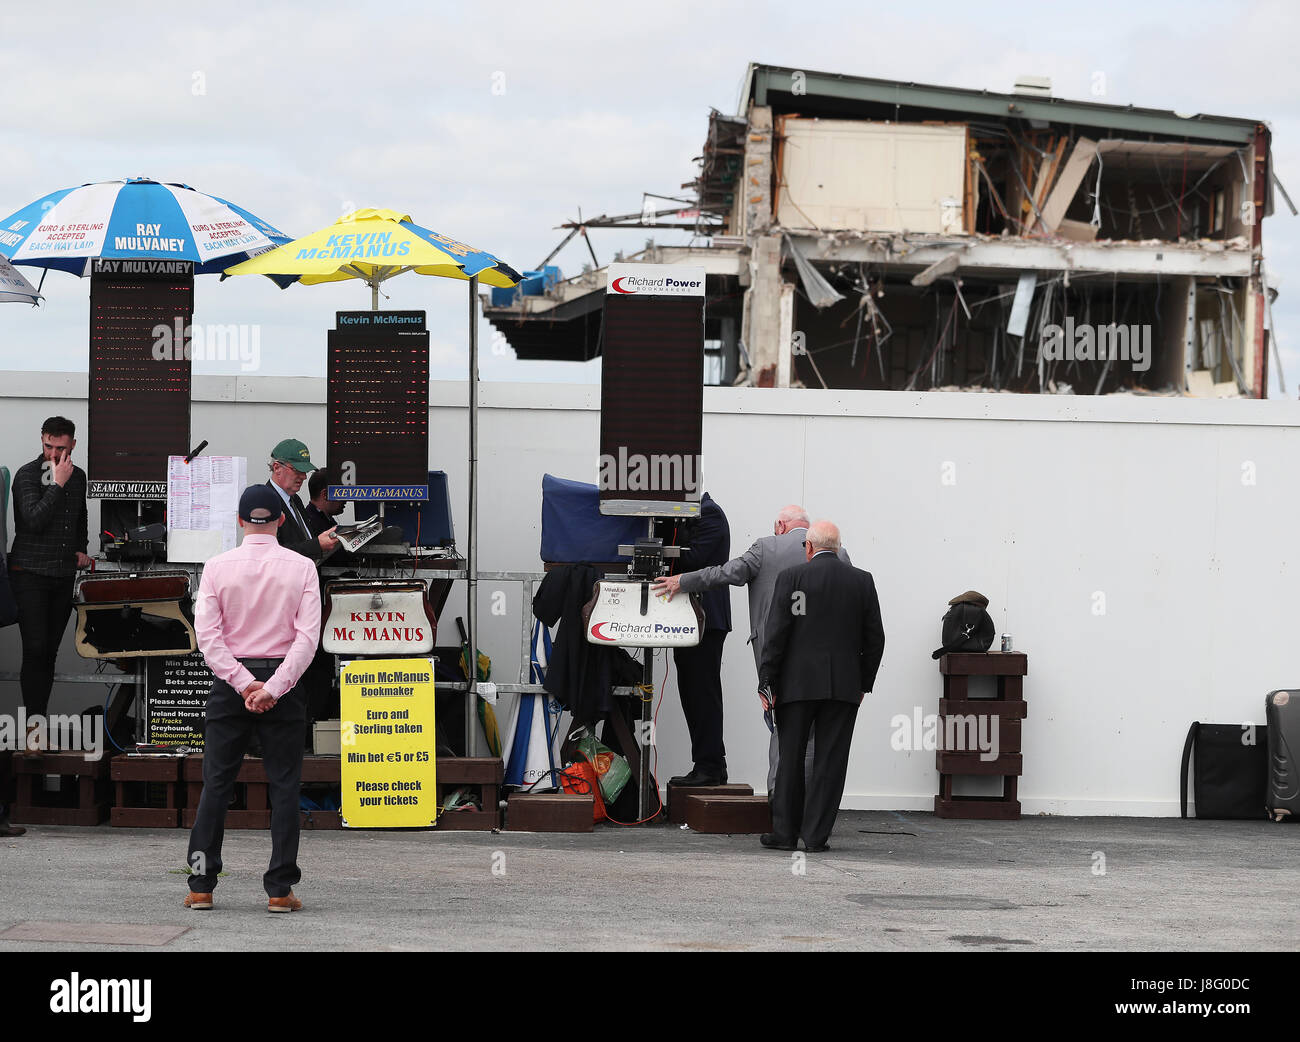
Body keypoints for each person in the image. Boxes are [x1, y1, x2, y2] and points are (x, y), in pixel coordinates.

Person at [184, 485, 321, 913]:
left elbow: (208, 638)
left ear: (240, 521)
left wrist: (244, 684)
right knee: (284, 787)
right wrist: (272, 687)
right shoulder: (302, 567)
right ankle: (280, 890)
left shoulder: (216, 567)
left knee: (216, 785)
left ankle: (201, 886)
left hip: (231, 683)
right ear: (281, 520)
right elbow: (308, 638)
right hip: (284, 680)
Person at [653, 504, 850, 793]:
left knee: (784, 728)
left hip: (779, 655)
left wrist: (682, 581)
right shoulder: (840, 555)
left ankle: (779, 802)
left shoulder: (766, 548)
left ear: (780, 526)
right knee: (820, 736)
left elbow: (724, 573)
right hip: (827, 660)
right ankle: (812, 807)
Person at [758, 521, 884, 853]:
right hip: (843, 688)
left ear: (809, 548)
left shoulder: (792, 579)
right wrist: (863, 684)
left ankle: (784, 834)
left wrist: (766, 682)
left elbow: (776, 635)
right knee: (831, 760)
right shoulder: (861, 581)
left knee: (791, 758)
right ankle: (815, 837)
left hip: (795, 686)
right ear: (839, 548)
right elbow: (875, 639)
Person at [8, 417, 90, 751]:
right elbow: (32, 521)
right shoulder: (27, 474)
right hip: (28, 572)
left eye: (61, 448)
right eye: (49, 446)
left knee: (49, 652)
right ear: (41, 441)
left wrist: (81, 548)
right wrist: (56, 484)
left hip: (61, 575)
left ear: (72, 444)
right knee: (36, 648)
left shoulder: (79, 476)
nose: (54, 454)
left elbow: (79, 516)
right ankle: (33, 731)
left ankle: (37, 727)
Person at [665, 492, 731, 787]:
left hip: (706, 616)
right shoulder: (692, 516)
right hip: (691, 617)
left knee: (701, 693)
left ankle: (708, 766)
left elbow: (693, 560)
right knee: (694, 692)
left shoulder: (710, 515)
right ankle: (712, 762)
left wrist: (665, 538)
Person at [264, 438, 338, 559]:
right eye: (297, 470)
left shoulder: (295, 499)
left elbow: (303, 539)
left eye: (305, 471)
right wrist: (317, 545)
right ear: (277, 468)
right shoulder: (266, 501)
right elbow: (273, 551)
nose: (304, 477)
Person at [304, 469, 345, 537]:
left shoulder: (324, 520)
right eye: (341, 493)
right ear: (325, 494)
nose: (346, 499)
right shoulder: (313, 526)